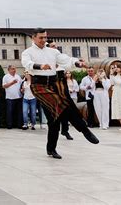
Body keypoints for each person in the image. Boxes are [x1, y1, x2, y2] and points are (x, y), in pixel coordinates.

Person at [21, 28, 99, 159]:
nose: (43, 40)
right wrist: (40, 66)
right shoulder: (27, 52)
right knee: (61, 104)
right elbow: (26, 63)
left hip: (54, 83)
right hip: (39, 85)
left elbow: (65, 59)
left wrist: (78, 63)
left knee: (54, 119)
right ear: (33, 38)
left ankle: (51, 149)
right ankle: (84, 130)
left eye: (45, 37)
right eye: (41, 38)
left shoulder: (52, 51)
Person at [47, 40, 73, 140]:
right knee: (55, 110)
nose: (55, 48)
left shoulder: (60, 59)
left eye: (56, 46)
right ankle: (55, 130)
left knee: (66, 108)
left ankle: (65, 130)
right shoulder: (47, 59)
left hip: (62, 86)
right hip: (52, 87)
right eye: (53, 46)